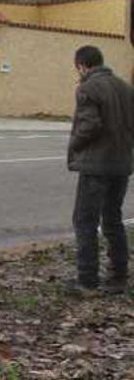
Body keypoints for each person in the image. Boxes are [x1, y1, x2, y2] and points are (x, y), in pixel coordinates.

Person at [68, 45, 134, 295]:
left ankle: (87, 281)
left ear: (82, 65)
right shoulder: (126, 88)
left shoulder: (88, 88)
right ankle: (118, 276)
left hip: (96, 165)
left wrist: (75, 145)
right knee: (113, 219)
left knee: (85, 221)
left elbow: (89, 125)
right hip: (121, 164)